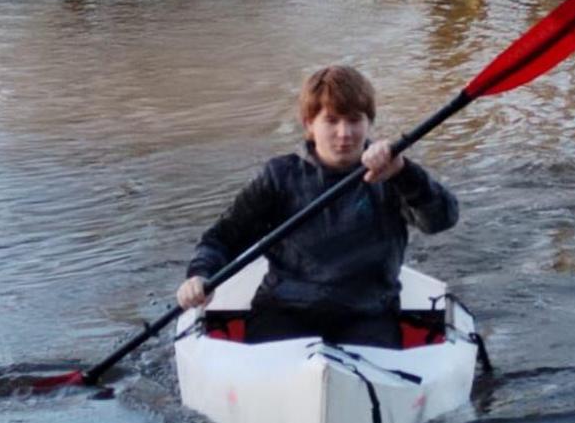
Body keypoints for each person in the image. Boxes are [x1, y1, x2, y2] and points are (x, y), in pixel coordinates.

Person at [176, 65, 458, 348]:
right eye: (331, 120)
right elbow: (222, 239)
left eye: (354, 120)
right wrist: (200, 275)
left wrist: (404, 173)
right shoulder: (279, 176)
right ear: (309, 124)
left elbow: (442, 220)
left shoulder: (393, 173)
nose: (344, 133)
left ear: (368, 122)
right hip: (284, 309)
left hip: (369, 313)